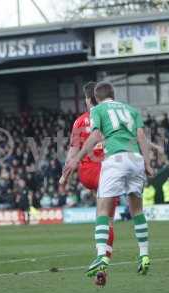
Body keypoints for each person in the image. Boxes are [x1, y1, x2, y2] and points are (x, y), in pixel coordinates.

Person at [63, 81, 153, 282]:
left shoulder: (98, 110)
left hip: (115, 160)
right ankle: (144, 254)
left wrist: (77, 158)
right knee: (137, 211)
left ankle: (102, 256)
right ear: (114, 94)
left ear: (95, 97)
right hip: (136, 159)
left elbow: (95, 135)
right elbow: (141, 137)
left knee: (103, 211)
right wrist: (148, 164)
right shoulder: (131, 109)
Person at [62, 81, 117, 259]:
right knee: (107, 218)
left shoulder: (79, 121)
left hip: (87, 174)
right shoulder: (111, 117)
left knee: (99, 211)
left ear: (88, 99)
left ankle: (101, 253)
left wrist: (66, 171)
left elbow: (73, 150)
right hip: (109, 171)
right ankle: (104, 258)